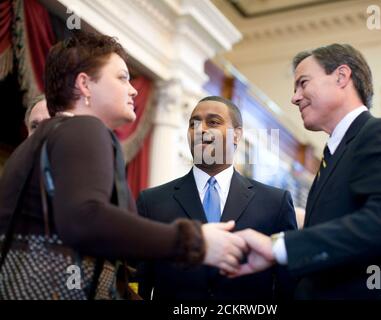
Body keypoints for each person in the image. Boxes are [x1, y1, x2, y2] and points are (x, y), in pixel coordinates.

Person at [0, 32, 246, 300]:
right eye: (122, 77)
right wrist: (195, 242)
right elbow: (86, 219)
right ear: (84, 84)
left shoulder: (38, 143)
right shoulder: (84, 128)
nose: (133, 89)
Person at [230, 43, 381, 299]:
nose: (295, 97)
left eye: (303, 83)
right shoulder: (330, 158)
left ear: (341, 77)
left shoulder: (378, 132)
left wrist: (280, 247)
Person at [136, 96, 297, 300]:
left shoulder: (275, 202)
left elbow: (288, 284)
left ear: (237, 135)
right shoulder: (152, 202)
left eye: (213, 122)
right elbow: (139, 281)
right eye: (193, 123)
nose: (201, 130)